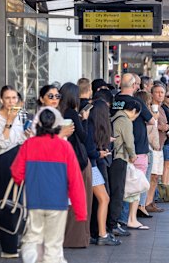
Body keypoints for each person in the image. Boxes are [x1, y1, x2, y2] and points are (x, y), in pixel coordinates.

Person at [11, 107, 86, 263]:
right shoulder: (64, 147)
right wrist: (81, 211)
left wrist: (28, 182)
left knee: (32, 238)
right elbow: (75, 181)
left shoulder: (29, 144)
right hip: (57, 204)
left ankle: (31, 259)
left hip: (34, 201)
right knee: (53, 244)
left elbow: (17, 173)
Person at [0, 86, 29, 258]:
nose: (11, 101)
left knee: (18, 201)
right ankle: (8, 248)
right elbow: (2, 142)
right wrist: (9, 122)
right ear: (1, 100)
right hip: (5, 163)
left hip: (19, 161)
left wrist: (24, 133)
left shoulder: (19, 116)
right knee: (6, 202)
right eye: (7, 98)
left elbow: (20, 138)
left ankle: (14, 240)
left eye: (14, 98)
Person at [111, 74, 157, 221]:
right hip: (136, 149)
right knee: (134, 185)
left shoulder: (114, 101)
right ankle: (128, 218)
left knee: (119, 185)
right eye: (136, 84)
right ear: (132, 86)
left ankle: (120, 219)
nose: (138, 87)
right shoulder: (136, 102)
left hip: (116, 148)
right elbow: (151, 121)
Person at [59, 82, 92, 248]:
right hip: (75, 161)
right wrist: (84, 120)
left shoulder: (57, 112)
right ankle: (76, 238)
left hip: (60, 161)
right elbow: (83, 137)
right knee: (78, 200)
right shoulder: (72, 113)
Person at [86, 99, 121, 246]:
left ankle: (101, 233)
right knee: (104, 199)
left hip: (92, 166)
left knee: (102, 199)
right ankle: (102, 234)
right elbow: (90, 150)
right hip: (92, 166)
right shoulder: (90, 127)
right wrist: (99, 154)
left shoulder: (89, 125)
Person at [110, 99, 148, 230]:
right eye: (136, 115)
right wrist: (133, 155)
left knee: (115, 191)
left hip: (112, 157)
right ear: (133, 111)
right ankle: (114, 224)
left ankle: (114, 222)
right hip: (120, 158)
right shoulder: (125, 120)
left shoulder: (115, 117)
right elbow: (129, 141)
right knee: (118, 192)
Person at [145, 84, 169, 212]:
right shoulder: (150, 108)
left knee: (156, 176)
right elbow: (149, 124)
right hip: (152, 145)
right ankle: (145, 202)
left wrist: (167, 128)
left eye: (162, 92)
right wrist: (161, 127)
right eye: (157, 92)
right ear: (152, 94)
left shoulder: (162, 109)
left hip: (161, 145)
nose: (160, 95)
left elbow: (165, 123)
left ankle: (150, 201)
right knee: (151, 175)